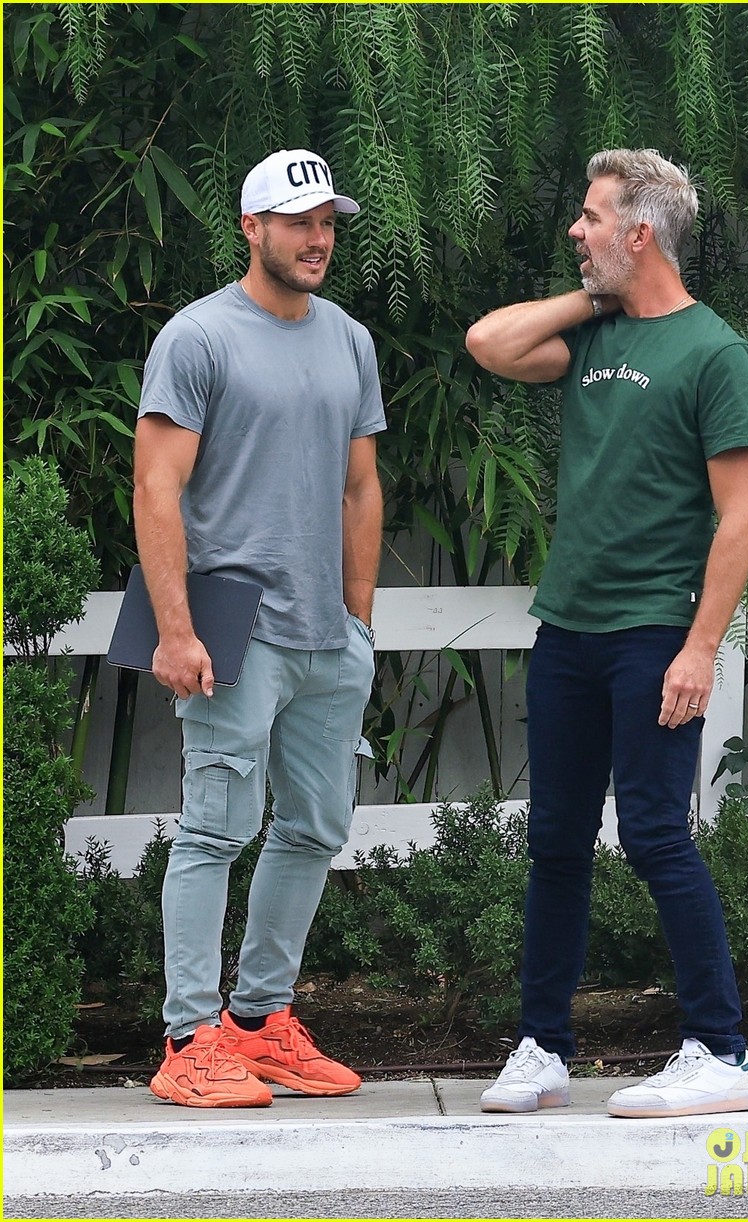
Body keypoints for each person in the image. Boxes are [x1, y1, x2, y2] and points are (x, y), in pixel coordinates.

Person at [466, 148, 748, 1118]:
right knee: (553, 839)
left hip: (650, 633)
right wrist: (593, 298)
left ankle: (719, 1050)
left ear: (637, 233)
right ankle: (542, 1045)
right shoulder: (593, 340)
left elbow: (742, 515)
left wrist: (696, 648)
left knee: (650, 836)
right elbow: (488, 343)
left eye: (590, 219)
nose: (574, 232)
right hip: (569, 627)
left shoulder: (714, 354)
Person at [134, 149, 385, 1108]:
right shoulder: (198, 338)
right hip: (233, 630)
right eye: (297, 222)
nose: (317, 239)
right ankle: (188, 1037)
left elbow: (362, 485)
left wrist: (358, 621)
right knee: (215, 829)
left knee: (315, 827)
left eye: (327, 223)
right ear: (252, 228)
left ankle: (257, 1022)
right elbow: (157, 484)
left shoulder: (350, 341)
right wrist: (174, 628)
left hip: (328, 634)